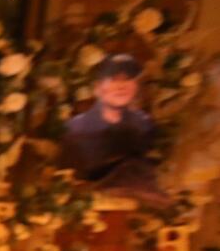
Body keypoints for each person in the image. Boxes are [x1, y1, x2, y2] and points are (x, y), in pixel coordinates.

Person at [59, 53, 164, 201]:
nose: (121, 87)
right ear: (98, 87)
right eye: (114, 80)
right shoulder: (76, 128)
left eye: (128, 80)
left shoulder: (145, 126)